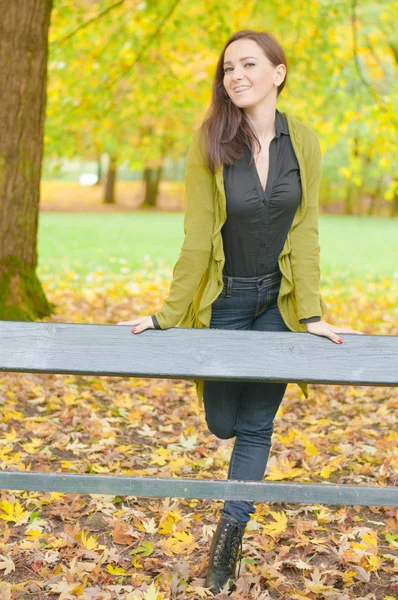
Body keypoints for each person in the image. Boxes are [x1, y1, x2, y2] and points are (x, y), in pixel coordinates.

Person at [117, 29, 363, 596]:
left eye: (248, 64)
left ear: (277, 72)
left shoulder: (303, 140)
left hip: (276, 301)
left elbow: (306, 231)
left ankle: (227, 543)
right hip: (224, 300)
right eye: (228, 69)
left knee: (257, 426)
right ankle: (228, 516)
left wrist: (312, 313)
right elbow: (197, 238)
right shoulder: (209, 142)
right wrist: (167, 314)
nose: (236, 76)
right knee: (223, 423)